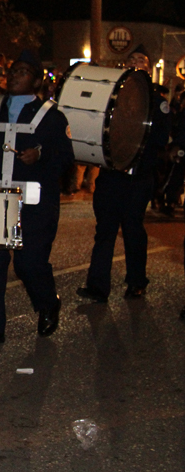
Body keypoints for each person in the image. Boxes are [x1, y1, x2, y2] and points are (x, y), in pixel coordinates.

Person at [0, 50, 74, 347]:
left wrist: (40, 156)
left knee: (28, 265)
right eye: (12, 70)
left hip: (34, 205)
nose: (14, 76)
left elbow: (66, 159)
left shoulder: (52, 117)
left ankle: (48, 302)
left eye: (23, 71)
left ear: (37, 80)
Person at [76, 45, 170, 303]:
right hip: (111, 174)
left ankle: (137, 281)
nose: (137, 63)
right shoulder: (111, 97)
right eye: (133, 60)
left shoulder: (157, 101)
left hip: (138, 176)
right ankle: (97, 286)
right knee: (105, 230)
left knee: (132, 229)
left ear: (149, 70)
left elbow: (161, 139)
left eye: (143, 60)